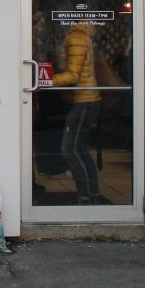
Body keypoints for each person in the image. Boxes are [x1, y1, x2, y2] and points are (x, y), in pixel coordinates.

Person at [49, 22, 103, 206]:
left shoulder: (76, 38)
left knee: (69, 149)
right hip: (89, 99)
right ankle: (92, 194)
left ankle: (85, 197)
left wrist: (45, 81)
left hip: (84, 101)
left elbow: (73, 75)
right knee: (80, 150)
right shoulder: (83, 36)